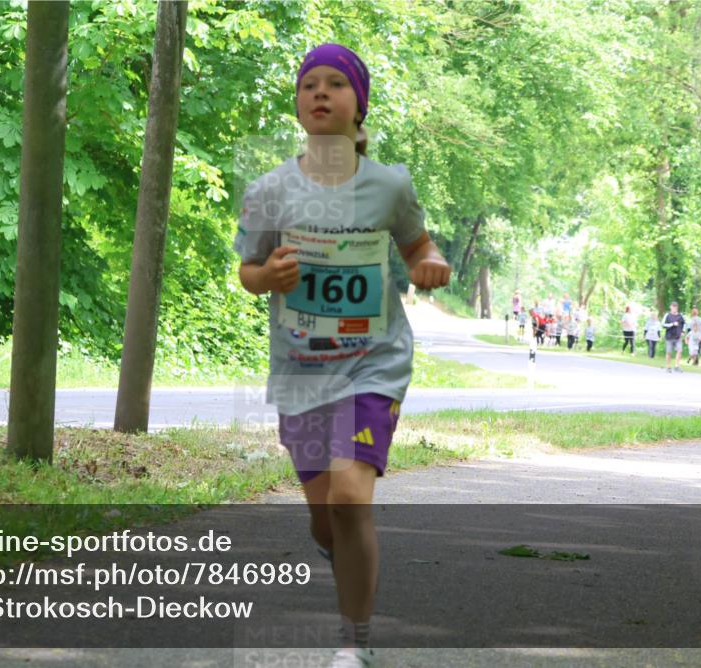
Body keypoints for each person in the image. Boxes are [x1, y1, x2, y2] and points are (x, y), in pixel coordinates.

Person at [235, 43, 451, 668]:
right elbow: (248, 270)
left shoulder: (389, 185)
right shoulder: (270, 189)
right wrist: (266, 275)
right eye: (309, 85)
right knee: (327, 516)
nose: (320, 93)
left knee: (353, 497)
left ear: (359, 104)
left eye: (335, 84)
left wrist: (429, 264)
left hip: (372, 363)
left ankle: (354, 647)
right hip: (302, 370)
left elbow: (418, 247)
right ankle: (335, 546)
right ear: (299, 105)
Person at [662, 301, 685, 373]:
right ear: (670, 307)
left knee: (679, 351)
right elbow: (663, 325)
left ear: (677, 308)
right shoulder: (667, 315)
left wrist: (683, 332)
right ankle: (668, 367)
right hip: (669, 337)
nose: (674, 308)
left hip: (678, 337)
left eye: (675, 307)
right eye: (673, 307)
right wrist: (672, 324)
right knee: (669, 352)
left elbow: (684, 324)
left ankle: (676, 366)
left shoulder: (680, 316)